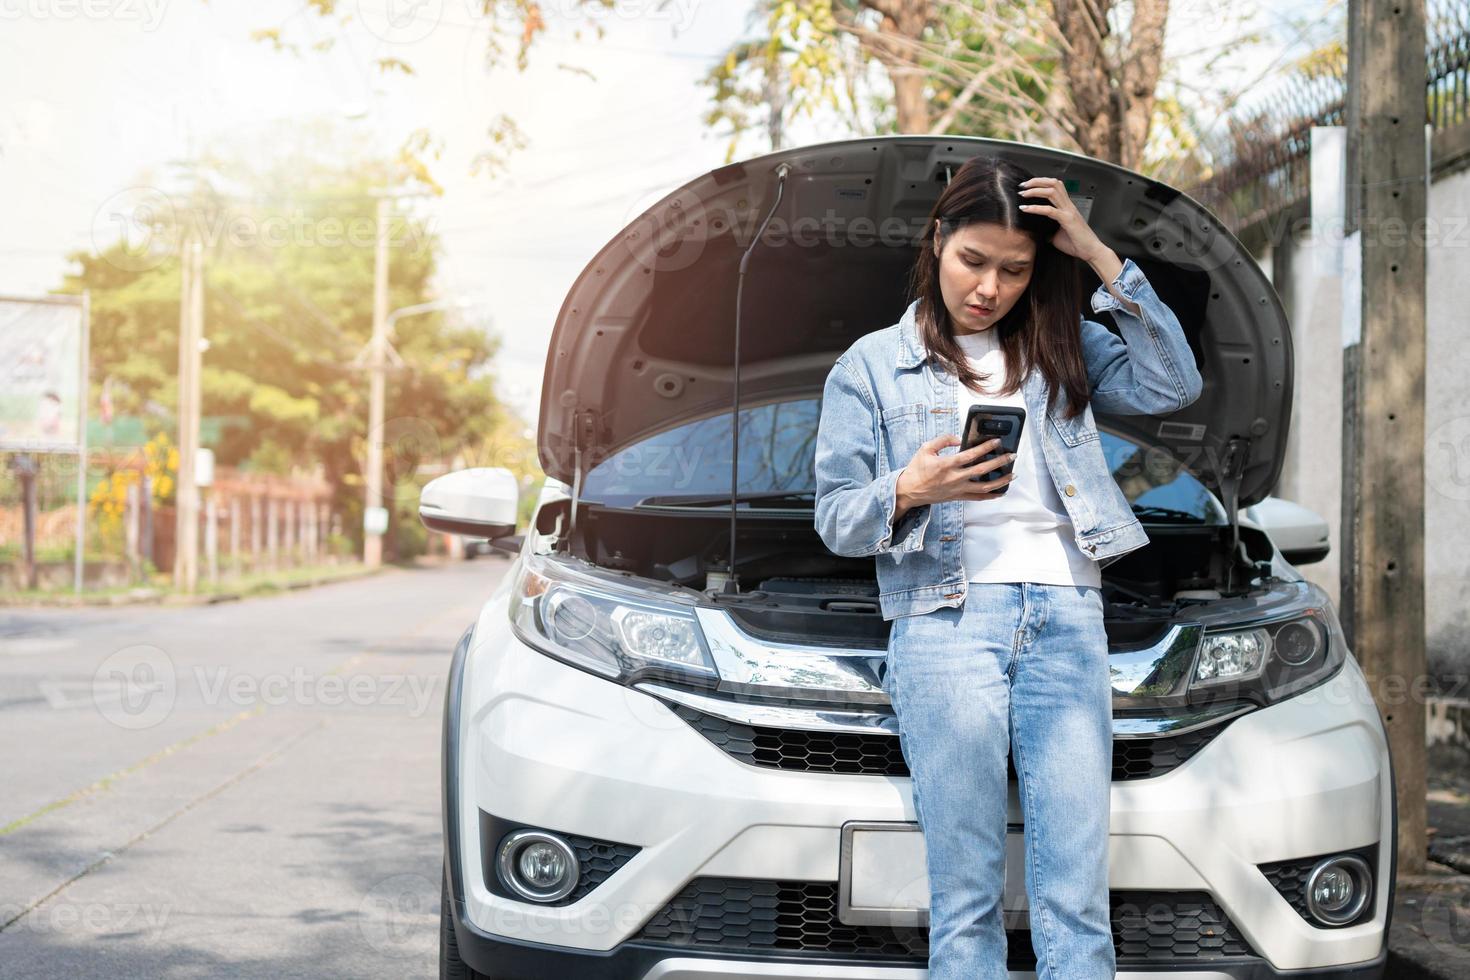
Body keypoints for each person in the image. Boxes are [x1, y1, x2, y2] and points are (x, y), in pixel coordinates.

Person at [812, 154, 1203, 979]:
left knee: (1075, 903)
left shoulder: (1066, 345)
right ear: (937, 239)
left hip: (1067, 616)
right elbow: (837, 517)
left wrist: (1095, 252)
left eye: (1015, 270)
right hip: (947, 623)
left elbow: (1173, 382)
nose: (989, 287)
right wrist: (908, 489)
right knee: (966, 902)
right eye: (973, 261)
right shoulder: (872, 365)